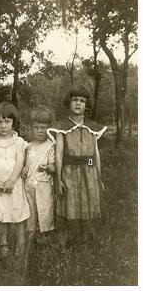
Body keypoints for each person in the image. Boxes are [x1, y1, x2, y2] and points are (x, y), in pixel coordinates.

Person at [47, 85, 107, 247]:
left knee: (89, 201)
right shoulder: (61, 126)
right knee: (69, 204)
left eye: (82, 101)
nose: (78, 104)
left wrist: (99, 177)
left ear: (86, 104)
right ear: (69, 102)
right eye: (75, 100)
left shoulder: (92, 127)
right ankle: (66, 240)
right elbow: (59, 153)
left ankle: (87, 238)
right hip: (70, 171)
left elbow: (96, 154)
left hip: (90, 172)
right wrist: (58, 178)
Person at [0, 101, 30, 258]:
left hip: (14, 183)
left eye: (7, 121)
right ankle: (4, 244)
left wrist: (11, 180)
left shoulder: (19, 142)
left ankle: (21, 244)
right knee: (0, 213)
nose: (3, 125)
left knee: (18, 212)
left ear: (14, 122)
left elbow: (20, 161)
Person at [21, 106, 55, 247]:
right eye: (36, 127)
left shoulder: (51, 146)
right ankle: (31, 233)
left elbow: (54, 166)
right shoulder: (28, 146)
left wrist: (47, 167)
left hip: (44, 185)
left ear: (49, 127)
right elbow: (24, 164)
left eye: (43, 127)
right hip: (29, 185)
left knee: (45, 208)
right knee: (31, 208)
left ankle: (45, 234)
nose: (40, 131)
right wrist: (23, 170)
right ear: (31, 128)